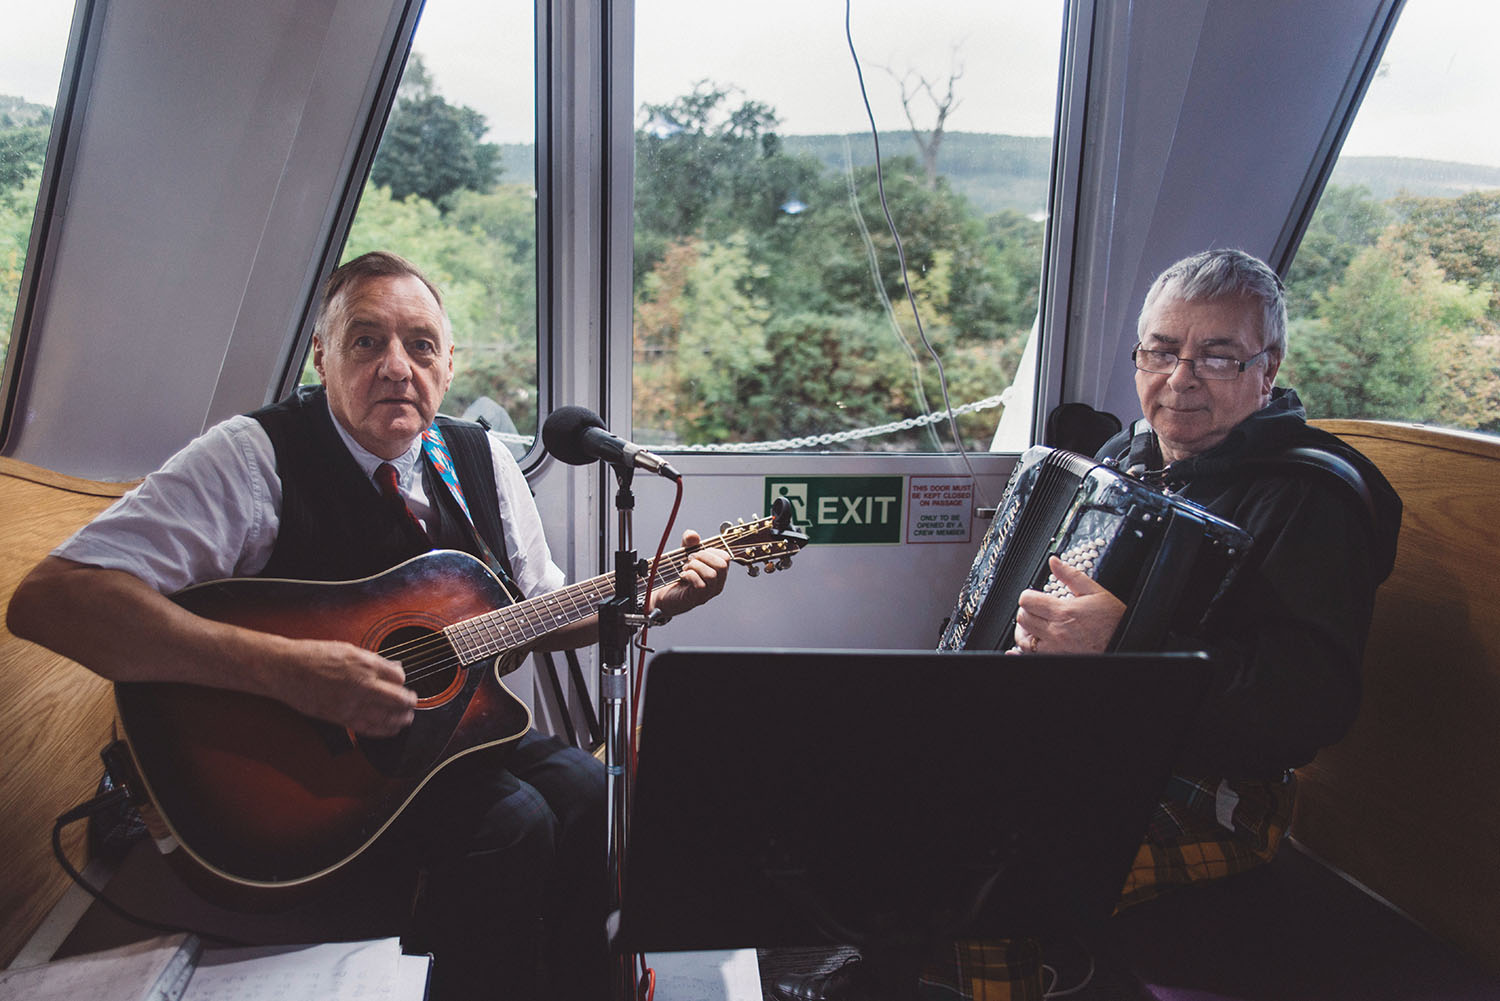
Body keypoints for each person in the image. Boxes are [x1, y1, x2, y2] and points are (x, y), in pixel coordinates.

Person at [7, 250, 733, 1001]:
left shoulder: (482, 459)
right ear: (323, 355)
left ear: (450, 363)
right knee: (513, 825)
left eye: (420, 344)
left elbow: (541, 609)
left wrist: (648, 600)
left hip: (453, 737)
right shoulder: (253, 458)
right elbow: (53, 599)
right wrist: (288, 671)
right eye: (366, 341)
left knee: (591, 794)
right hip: (302, 777)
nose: (396, 366)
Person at [771, 248, 1402, 1001]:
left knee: (983, 857)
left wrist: (1127, 647)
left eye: (1218, 356)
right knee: (863, 774)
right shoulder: (1118, 459)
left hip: (1214, 791)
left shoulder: (1311, 498)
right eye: (1162, 350)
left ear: (1268, 370)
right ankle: (888, 971)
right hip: (1073, 746)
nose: (1180, 377)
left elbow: (1308, 706)